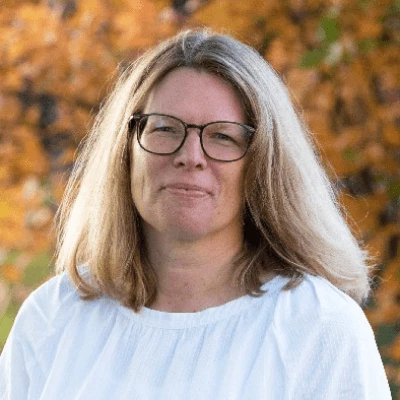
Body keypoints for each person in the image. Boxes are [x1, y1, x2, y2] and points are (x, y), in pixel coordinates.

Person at [0, 28, 392, 399]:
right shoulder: (53, 318)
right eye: (165, 129)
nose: (190, 157)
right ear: (126, 150)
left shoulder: (318, 327)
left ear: (263, 163)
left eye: (222, 136)